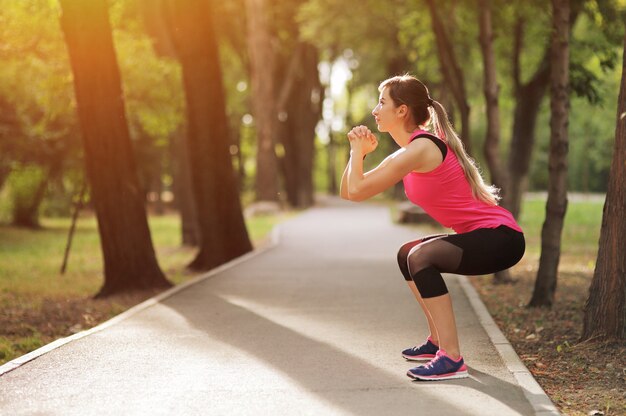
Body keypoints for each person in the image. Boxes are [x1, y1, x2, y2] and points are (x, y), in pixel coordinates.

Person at [340, 74, 525, 381]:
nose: (375, 110)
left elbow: (356, 190)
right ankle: (437, 341)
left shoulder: (421, 149)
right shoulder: (408, 152)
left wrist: (359, 152)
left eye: (382, 102)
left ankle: (451, 358)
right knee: (407, 253)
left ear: (402, 111)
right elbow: (351, 192)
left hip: (502, 238)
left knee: (421, 257)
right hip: (485, 237)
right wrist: (355, 153)